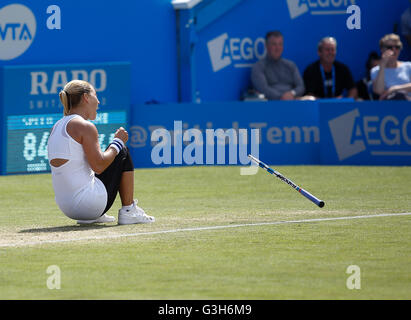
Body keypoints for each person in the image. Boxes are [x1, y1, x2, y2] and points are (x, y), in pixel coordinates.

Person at [47, 80, 155, 225]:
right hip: (88, 205)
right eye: (95, 95)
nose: (98, 102)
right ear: (86, 97)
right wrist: (117, 142)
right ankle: (129, 211)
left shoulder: (57, 125)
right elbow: (99, 166)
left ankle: (98, 215)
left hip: (67, 207)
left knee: (110, 153)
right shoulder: (84, 126)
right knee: (122, 150)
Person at [251, 31, 314, 101]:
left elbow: (301, 86)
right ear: (266, 46)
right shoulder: (258, 67)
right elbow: (263, 88)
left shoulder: (290, 65)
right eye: (274, 44)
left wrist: (292, 93)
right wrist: (281, 97)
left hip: (293, 102)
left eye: (280, 44)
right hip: (271, 105)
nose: (277, 48)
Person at [371, 33, 411, 100]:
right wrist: (382, 66)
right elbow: (379, 91)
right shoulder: (375, 70)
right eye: (389, 47)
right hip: (388, 108)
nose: (394, 50)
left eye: (397, 47)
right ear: (382, 49)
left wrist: (394, 89)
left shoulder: (409, 66)